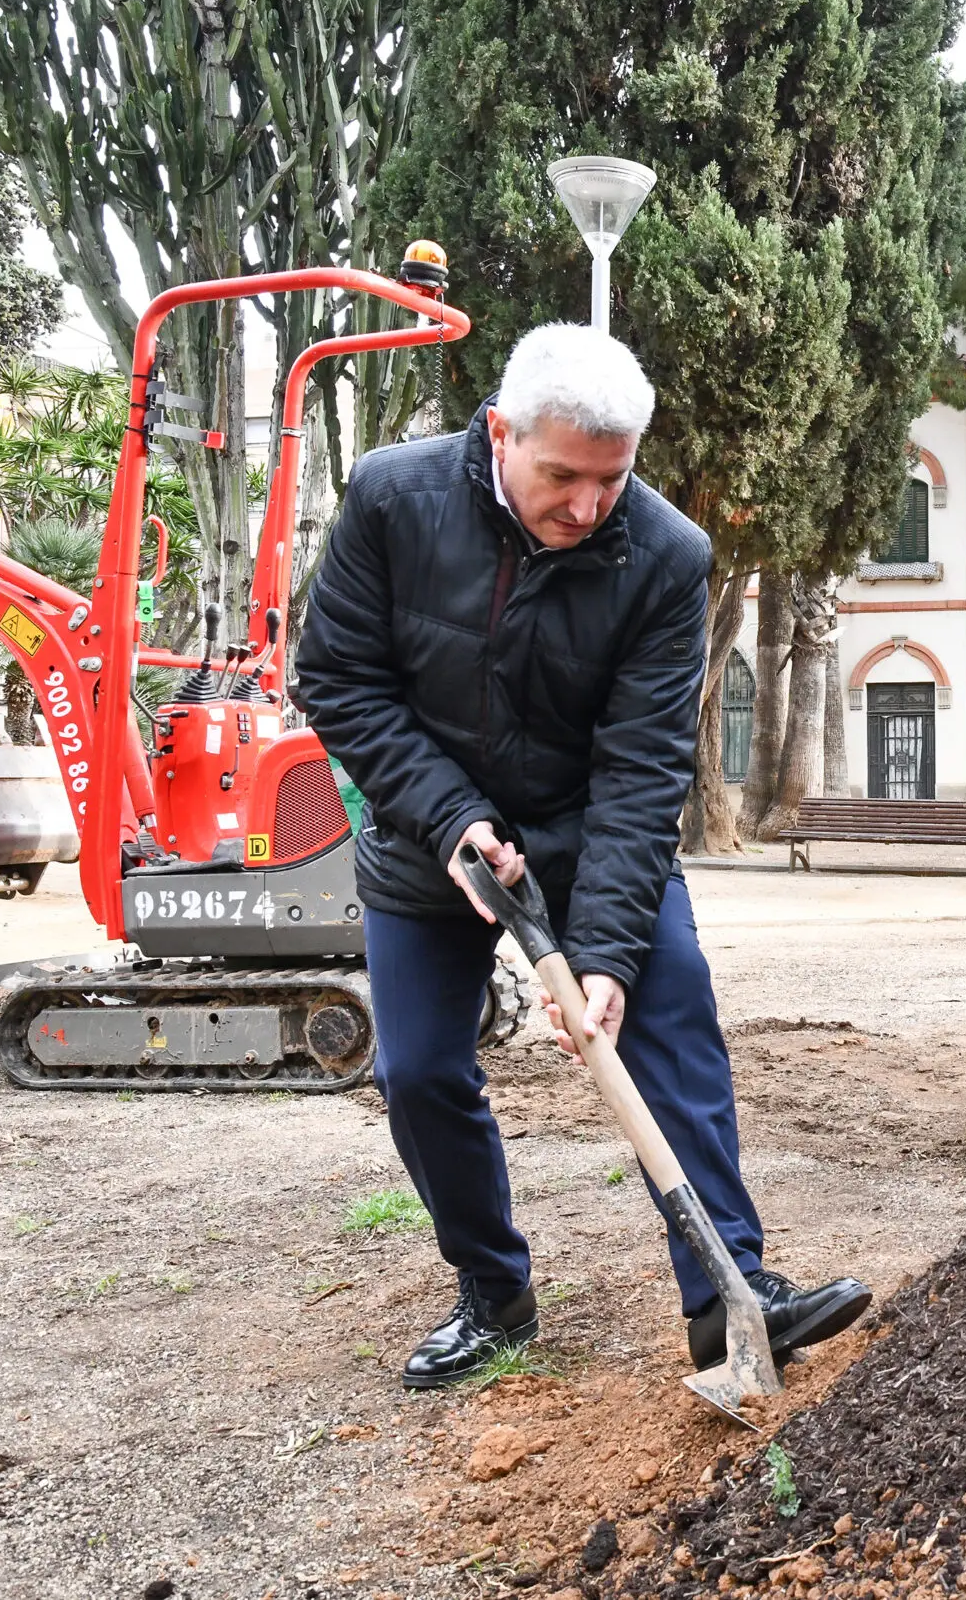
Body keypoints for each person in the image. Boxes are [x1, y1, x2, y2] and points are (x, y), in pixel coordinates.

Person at [296, 322, 869, 1388]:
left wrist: (602, 954)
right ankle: (493, 1293)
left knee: (672, 1010)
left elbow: (645, 767)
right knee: (416, 1071)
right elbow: (336, 677)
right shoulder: (391, 498)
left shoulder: (667, 556)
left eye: (611, 479)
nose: (588, 506)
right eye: (562, 475)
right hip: (433, 838)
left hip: (585, 829)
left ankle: (727, 1292)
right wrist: (450, 814)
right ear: (500, 434)